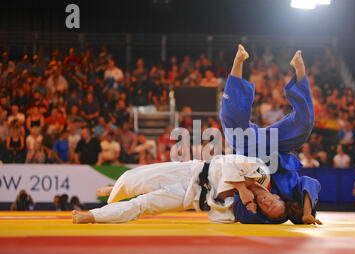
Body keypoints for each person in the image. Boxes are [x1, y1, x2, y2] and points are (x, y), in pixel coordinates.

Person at [220, 45, 322, 225]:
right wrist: (307, 213)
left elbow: (244, 215)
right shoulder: (295, 192)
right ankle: (300, 70)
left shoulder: (270, 213)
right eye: (300, 208)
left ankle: (238, 63)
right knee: (304, 124)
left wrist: (247, 197)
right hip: (277, 146)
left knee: (230, 119)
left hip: (249, 150)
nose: (296, 209)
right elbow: (311, 183)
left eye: (296, 213)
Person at [72, 154, 283, 224]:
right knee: (131, 179)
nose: (266, 203)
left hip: (187, 197)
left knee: (141, 205)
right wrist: (242, 188)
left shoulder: (243, 208)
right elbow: (225, 161)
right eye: (272, 201)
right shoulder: (261, 170)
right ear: (275, 195)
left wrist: (242, 213)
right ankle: (114, 188)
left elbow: (215, 218)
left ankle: (91, 216)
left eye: (267, 209)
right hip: (191, 171)